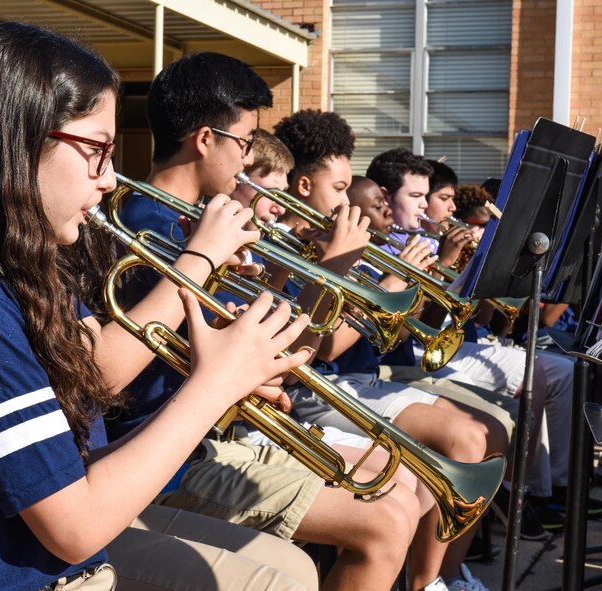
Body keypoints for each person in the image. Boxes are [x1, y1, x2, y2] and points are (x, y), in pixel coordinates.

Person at [0, 22, 323, 591]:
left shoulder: (18, 266)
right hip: (26, 573)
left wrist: (227, 372)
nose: (109, 177)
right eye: (96, 150)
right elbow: (74, 525)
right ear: (12, 143)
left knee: (292, 571)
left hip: (54, 558)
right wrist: (213, 381)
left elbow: (86, 369)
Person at [109, 52, 422, 591]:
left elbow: (242, 345)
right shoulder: (150, 222)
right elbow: (186, 360)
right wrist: (328, 275)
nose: (248, 158)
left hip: (203, 436)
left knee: (400, 491)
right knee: (386, 520)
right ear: (205, 139)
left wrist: (274, 286)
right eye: (244, 143)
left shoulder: (190, 220)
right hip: (166, 452)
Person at [271, 110, 509, 591]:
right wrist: (394, 278)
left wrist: (416, 280)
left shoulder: (335, 241)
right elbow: (329, 346)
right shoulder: (300, 245)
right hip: (318, 386)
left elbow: (390, 332)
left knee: (493, 432)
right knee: (457, 445)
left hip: (358, 376)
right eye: (340, 189)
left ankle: (443, 576)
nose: (350, 199)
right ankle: (427, 581)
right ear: (302, 186)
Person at [368, 148, 602, 534]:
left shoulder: (426, 239)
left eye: (438, 198)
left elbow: (480, 318)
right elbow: (404, 328)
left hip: (449, 341)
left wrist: (481, 269)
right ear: (384, 196)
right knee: (534, 380)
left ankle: (539, 490)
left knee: (554, 374)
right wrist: (445, 267)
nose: (443, 210)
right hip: (416, 351)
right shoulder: (393, 246)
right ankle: (517, 495)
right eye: (423, 198)